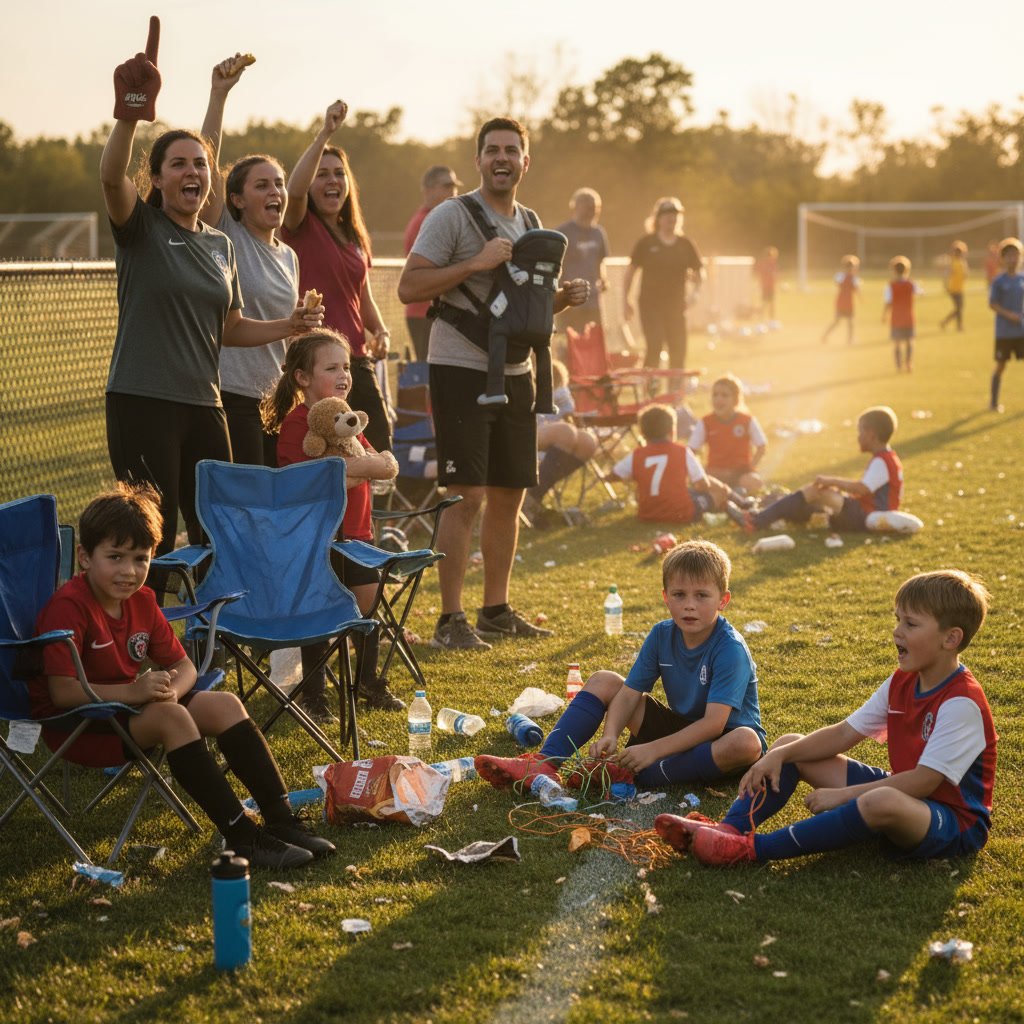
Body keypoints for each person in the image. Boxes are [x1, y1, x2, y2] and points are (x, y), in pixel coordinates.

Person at [100, 21, 321, 554]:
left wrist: (289, 325)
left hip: (206, 403)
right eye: (178, 164)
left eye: (200, 164)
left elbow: (231, 327)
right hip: (143, 399)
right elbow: (110, 177)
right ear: (156, 179)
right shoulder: (142, 228)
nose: (192, 172)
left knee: (221, 529)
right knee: (149, 533)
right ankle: (145, 612)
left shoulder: (220, 244)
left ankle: (208, 613)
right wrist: (130, 113)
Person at [29, 482, 335, 868]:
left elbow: (184, 665)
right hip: (78, 725)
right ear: (85, 557)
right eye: (115, 557)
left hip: (128, 711)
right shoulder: (69, 607)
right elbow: (62, 692)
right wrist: (134, 692)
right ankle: (242, 837)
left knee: (224, 704)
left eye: (140, 558)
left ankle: (281, 820)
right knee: (172, 717)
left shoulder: (141, 601)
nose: (128, 571)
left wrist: (171, 691)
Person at [397, 116, 590, 650]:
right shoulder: (452, 215)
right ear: (478, 160)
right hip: (459, 368)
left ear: (526, 162)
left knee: (510, 493)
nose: (502, 158)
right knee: (466, 495)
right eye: (492, 150)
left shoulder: (531, 221)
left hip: (517, 372)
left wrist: (561, 301)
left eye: (511, 150)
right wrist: (475, 262)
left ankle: (496, 611)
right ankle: (450, 619)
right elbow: (409, 287)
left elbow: (521, 310)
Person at [660, 570, 997, 869]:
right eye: (898, 620)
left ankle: (750, 850)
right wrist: (779, 754)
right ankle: (729, 830)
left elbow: (924, 782)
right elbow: (843, 734)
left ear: (950, 638)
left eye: (910, 624)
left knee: (880, 800)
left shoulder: (961, 702)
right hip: (909, 798)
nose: (897, 632)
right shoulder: (903, 680)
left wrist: (845, 796)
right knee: (792, 746)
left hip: (953, 823)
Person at [474, 540, 765, 795]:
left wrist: (652, 750)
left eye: (701, 595)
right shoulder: (661, 634)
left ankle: (636, 773)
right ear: (665, 597)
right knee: (604, 680)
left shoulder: (730, 649)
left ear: (723, 600)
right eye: (679, 595)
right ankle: (545, 763)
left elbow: (713, 725)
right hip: (680, 730)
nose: (690, 605)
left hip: (720, 744)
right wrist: (610, 734)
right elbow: (628, 693)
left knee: (746, 742)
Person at [263, 330, 402, 714]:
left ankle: (370, 683)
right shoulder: (296, 424)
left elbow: (384, 466)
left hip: (357, 536)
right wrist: (356, 469)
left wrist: (347, 470)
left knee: (368, 611)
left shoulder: (349, 420)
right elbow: (311, 479)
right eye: (331, 368)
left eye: (346, 367)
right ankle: (315, 695)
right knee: (318, 615)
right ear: (302, 377)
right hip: (315, 539)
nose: (344, 375)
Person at [199, 52, 301, 467]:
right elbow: (205, 167)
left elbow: (285, 337)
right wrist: (219, 96)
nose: (275, 191)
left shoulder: (289, 256)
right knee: (245, 496)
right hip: (233, 397)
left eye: (279, 183)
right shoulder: (226, 233)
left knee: (276, 496)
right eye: (262, 185)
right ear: (237, 200)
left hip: (277, 399)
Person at [282, 100, 393, 452]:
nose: (332, 180)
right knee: (329, 452)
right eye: (322, 174)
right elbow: (294, 191)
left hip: (355, 361)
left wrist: (381, 330)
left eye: (339, 173)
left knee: (377, 447)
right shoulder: (300, 225)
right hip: (318, 363)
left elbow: (362, 296)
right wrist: (325, 133)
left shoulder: (354, 235)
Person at [727, 406, 902, 533]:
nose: (858, 437)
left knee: (816, 492)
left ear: (871, 434)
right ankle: (761, 511)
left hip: (864, 516)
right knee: (813, 499)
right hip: (861, 512)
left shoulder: (883, 461)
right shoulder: (887, 458)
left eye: (860, 432)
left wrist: (830, 481)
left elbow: (861, 488)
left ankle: (756, 520)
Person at [623, 197, 704, 370]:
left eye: (675, 215)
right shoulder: (646, 243)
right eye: (667, 214)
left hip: (676, 305)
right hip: (650, 305)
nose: (671, 218)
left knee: (678, 349)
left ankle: (675, 387)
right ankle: (650, 384)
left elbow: (699, 272)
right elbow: (630, 272)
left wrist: (695, 293)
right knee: (655, 346)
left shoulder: (685, 244)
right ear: (658, 218)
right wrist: (626, 299)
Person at [522, 358, 598, 526]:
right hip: (521, 431)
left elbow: (569, 414)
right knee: (565, 432)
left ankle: (534, 495)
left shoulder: (558, 387)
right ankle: (530, 498)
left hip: (545, 430)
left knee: (587, 442)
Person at [611, 404, 718, 523]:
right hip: (681, 513)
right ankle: (731, 507)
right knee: (718, 494)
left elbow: (614, 475)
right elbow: (703, 484)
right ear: (672, 431)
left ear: (642, 433)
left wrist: (636, 477)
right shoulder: (682, 451)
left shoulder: (637, 454)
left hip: (647, 514)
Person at [403, 165, 462, 361]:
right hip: (425, 313)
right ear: (428, 189)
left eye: (454, 186)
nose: (453, 191)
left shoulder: (431, 218)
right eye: (447, 186)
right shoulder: (428, 221)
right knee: (430, 372)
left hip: (427, 313)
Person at [687, 374, 767, 498]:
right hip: (715, 474)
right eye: (715, 395)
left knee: (755, 482)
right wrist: (699, 472)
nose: (718, 399)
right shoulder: (705, 422)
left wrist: (750, 468)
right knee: (698, 483)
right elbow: (691, 451)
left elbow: (762, 446)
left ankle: (732, 495)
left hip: (740, 474)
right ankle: (729, 496)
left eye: (724, 395)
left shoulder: (747, 420)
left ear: (736, 399)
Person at [555, 187, 610, 340]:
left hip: (593, 299)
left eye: (595, 207)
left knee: (593, 340)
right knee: (569, 341)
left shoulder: (599, 233)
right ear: (576, 207)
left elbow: (601, 261)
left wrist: (603, 280)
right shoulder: (563, 233)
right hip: (569, 298)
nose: (591, 211)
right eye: (587, 206)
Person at [987, 237, 1024, 413]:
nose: (1013, 259)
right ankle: (994, 403)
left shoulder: (1022, 279)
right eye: (1009, 256)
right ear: (1003, 258)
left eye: (1016, 255)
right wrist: (1009, 315)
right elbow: (992, 304)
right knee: (1001, 366)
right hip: (1004, 332)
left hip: (1021, 330)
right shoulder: (999, 281)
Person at [882, 256, 922, 372]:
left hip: (896, 318)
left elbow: (888, 302)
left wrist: (884, 315)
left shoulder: (890, 286)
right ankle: (909, 363)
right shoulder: (911, 284)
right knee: (910, 341)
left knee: (897, 343)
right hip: (908, 317)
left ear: (894, 271)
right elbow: (920, 292)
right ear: (907, 270)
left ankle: (898, 365)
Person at [821, 255, 860, 345]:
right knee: (849, 322)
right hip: (847, 302)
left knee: (838, 321)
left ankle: (825, 336)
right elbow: (856, 289)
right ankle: (850, 339)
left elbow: (838, 283)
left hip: (840, 301)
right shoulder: (853, 278)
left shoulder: (840, 275)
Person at [940, 240, 968, 333]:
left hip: (960, 288)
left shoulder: (962, 261)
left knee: (959, 308)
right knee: (959, 307)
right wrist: (945, 285)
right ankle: (953, 324)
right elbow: (947, 274)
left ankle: (952, 324)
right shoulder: (952, 262)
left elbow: (965, 273)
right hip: (953, 288)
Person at [753, 246, 779, 321]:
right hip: (765, 286)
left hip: (769, 286)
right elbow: (760, 272)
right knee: (765, 303)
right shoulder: (766, 264)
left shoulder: (772, 263)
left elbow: (775, 275)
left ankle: (771, 318)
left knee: (770, 303)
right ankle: (762, 317)